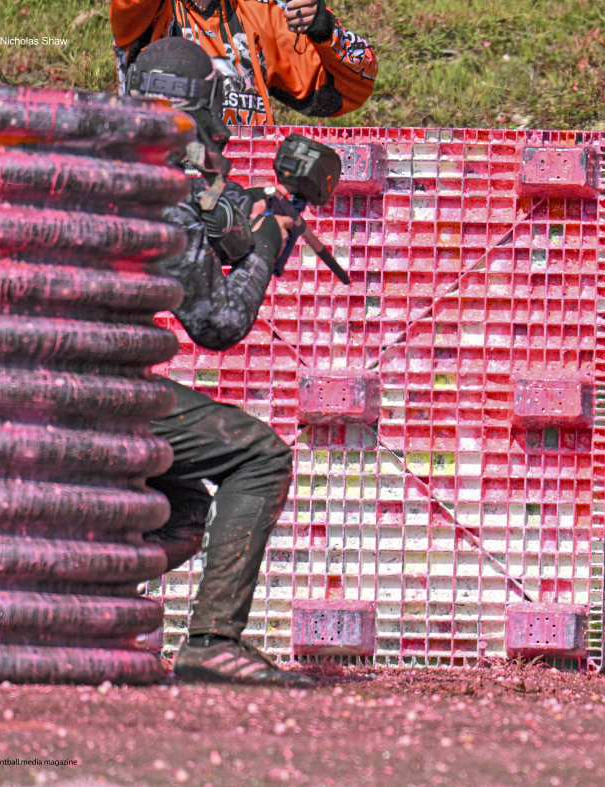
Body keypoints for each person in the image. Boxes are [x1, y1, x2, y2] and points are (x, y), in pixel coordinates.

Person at [125, 37, 313, 686]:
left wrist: (233, 218)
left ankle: (79, 599)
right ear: (204, 107)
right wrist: (264, 245)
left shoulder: (94, 162)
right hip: (98, 392)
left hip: (22, 386)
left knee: (179, 507)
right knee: (259, 456)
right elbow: (219, 324)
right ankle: (212, 640)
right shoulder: (162, 191)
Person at [111, 0, 377, 126]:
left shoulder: (261, 13)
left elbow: (350, 89)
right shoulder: (146, 10)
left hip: (244, 181)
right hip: (159, 177)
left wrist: (324, 29)